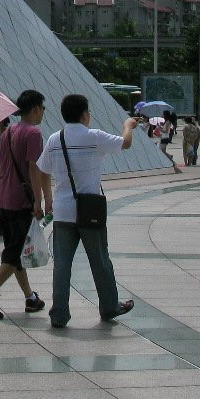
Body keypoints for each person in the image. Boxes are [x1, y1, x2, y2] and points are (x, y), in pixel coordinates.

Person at [37, 95, 138, 328]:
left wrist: (47, 199)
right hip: (90, 211)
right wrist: (128, 126)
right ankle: (109, 306)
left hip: (63, 212)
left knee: (62, 265)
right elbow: (126, 143)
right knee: (100, 260)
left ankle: (59, 314)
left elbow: (43, 169)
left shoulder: (55, 139)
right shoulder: (94, 137)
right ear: (84, 114)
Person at [0, 90, 51, 318]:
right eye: (42, 109)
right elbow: (34, 167)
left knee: (16, 249)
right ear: (35, 109)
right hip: (23, 201)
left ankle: (30, 298)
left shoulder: (8, 132)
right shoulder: (33, 133)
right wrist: (38, 201)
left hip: (5, 199)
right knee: (14, 252)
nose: (42, 113)